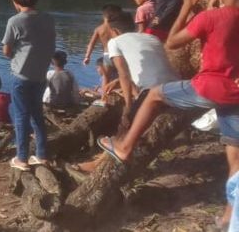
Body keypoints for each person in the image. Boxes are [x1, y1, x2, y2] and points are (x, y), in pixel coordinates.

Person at [97, 0, 239, 227]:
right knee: (236, 158)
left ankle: (125, 147)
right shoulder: (219, 16)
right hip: (236, 94)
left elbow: (172, 42)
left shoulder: (210, 18)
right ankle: (229, 217)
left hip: (208, 87)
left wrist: (186, 6)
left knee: (154, 95)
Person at [72, 11, 180, 173]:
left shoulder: (114, 42)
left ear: (114, 31)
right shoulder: (151, 37)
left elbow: (123, 74)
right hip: (177, 88)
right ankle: (103, 159)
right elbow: (143, 68)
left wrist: (129, 106)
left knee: (125, 125)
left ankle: (99, 165)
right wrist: (118, 83)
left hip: (154, 92)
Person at [2, 0, 56, 171]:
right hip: (40, 76)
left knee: (21, 116)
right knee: (37, 115)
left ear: (16, 0)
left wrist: (16, 54)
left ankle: (22, 158)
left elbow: (6, 51)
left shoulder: (15, 21)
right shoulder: (48, 18)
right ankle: (41, 155)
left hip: (21, 76)